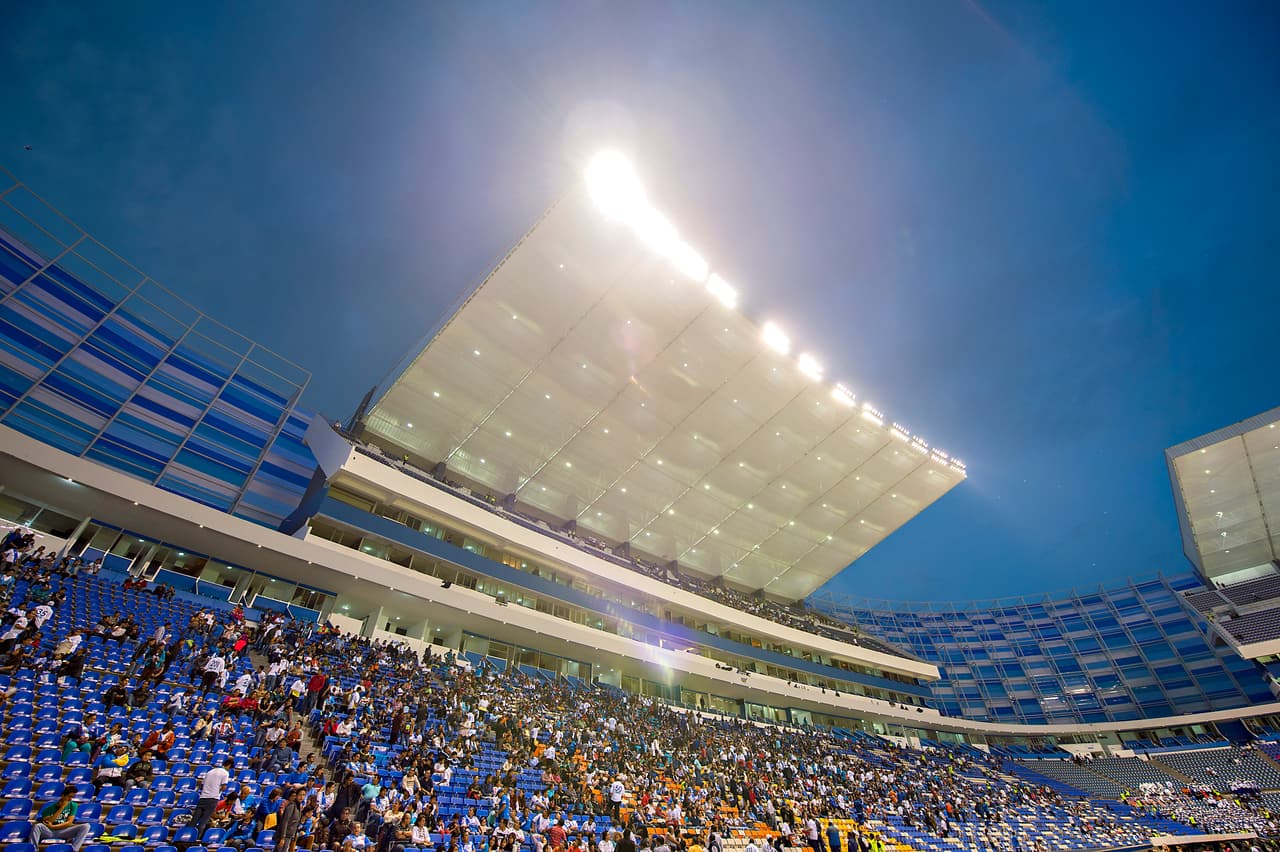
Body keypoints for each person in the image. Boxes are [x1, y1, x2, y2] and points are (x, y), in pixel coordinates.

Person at [31, 784, 92, 851]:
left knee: (86, 826)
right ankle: (33, 850)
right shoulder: (49, 808)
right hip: (50, 832)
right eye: (69, 796)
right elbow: (50, 821)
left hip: (63, 831)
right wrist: (61, 808)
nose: (70, 799)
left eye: (72, 797)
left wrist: (53, 827)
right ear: (63, 795)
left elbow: (69, 822)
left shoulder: (73, 805)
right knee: (37, 826)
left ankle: (74, 850)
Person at [194, 757, 234, 835]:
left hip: (203, 797)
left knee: (194, 819)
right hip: (213, 798)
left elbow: (202, 786)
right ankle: (196, 838)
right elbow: (224, 787)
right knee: (204, 821)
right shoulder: (225, 773)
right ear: (229, 765)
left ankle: (188, 836)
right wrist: (217, 790)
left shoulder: (210, 772)